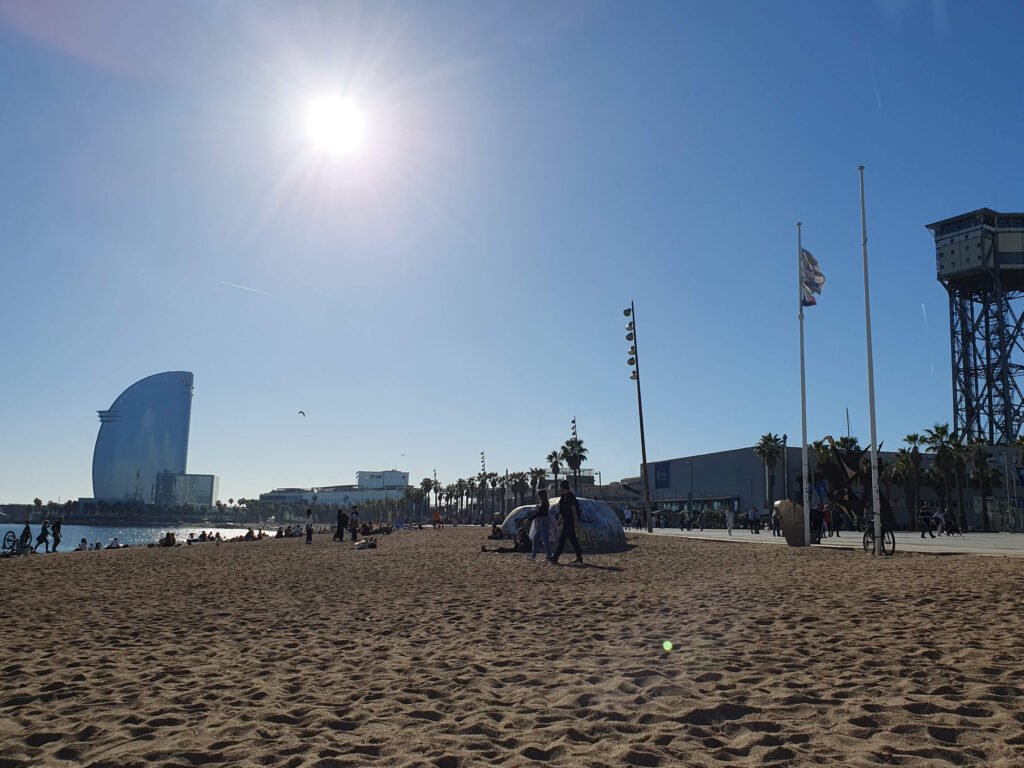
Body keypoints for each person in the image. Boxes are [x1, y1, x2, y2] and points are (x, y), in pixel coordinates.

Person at [550, 481, 583, 565]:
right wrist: (560, 520)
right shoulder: (563, 497)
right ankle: (579, 558)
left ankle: (555, 557)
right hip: (565, 521)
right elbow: (564, 511)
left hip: (570, 521)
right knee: (573, 540)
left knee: (562, 540)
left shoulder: (570, 496)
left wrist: (575, 522)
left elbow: (574, 510)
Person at [527, 489, 552, 561]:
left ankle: (549, 555)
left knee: (545, 539)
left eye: (539, 495)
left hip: (543, 522)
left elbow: (540, 513)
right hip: (541, 522)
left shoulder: (545, 503)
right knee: (535, 538)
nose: (538, 496)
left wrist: (530, 519)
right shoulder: (543, 503)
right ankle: (533, 556)